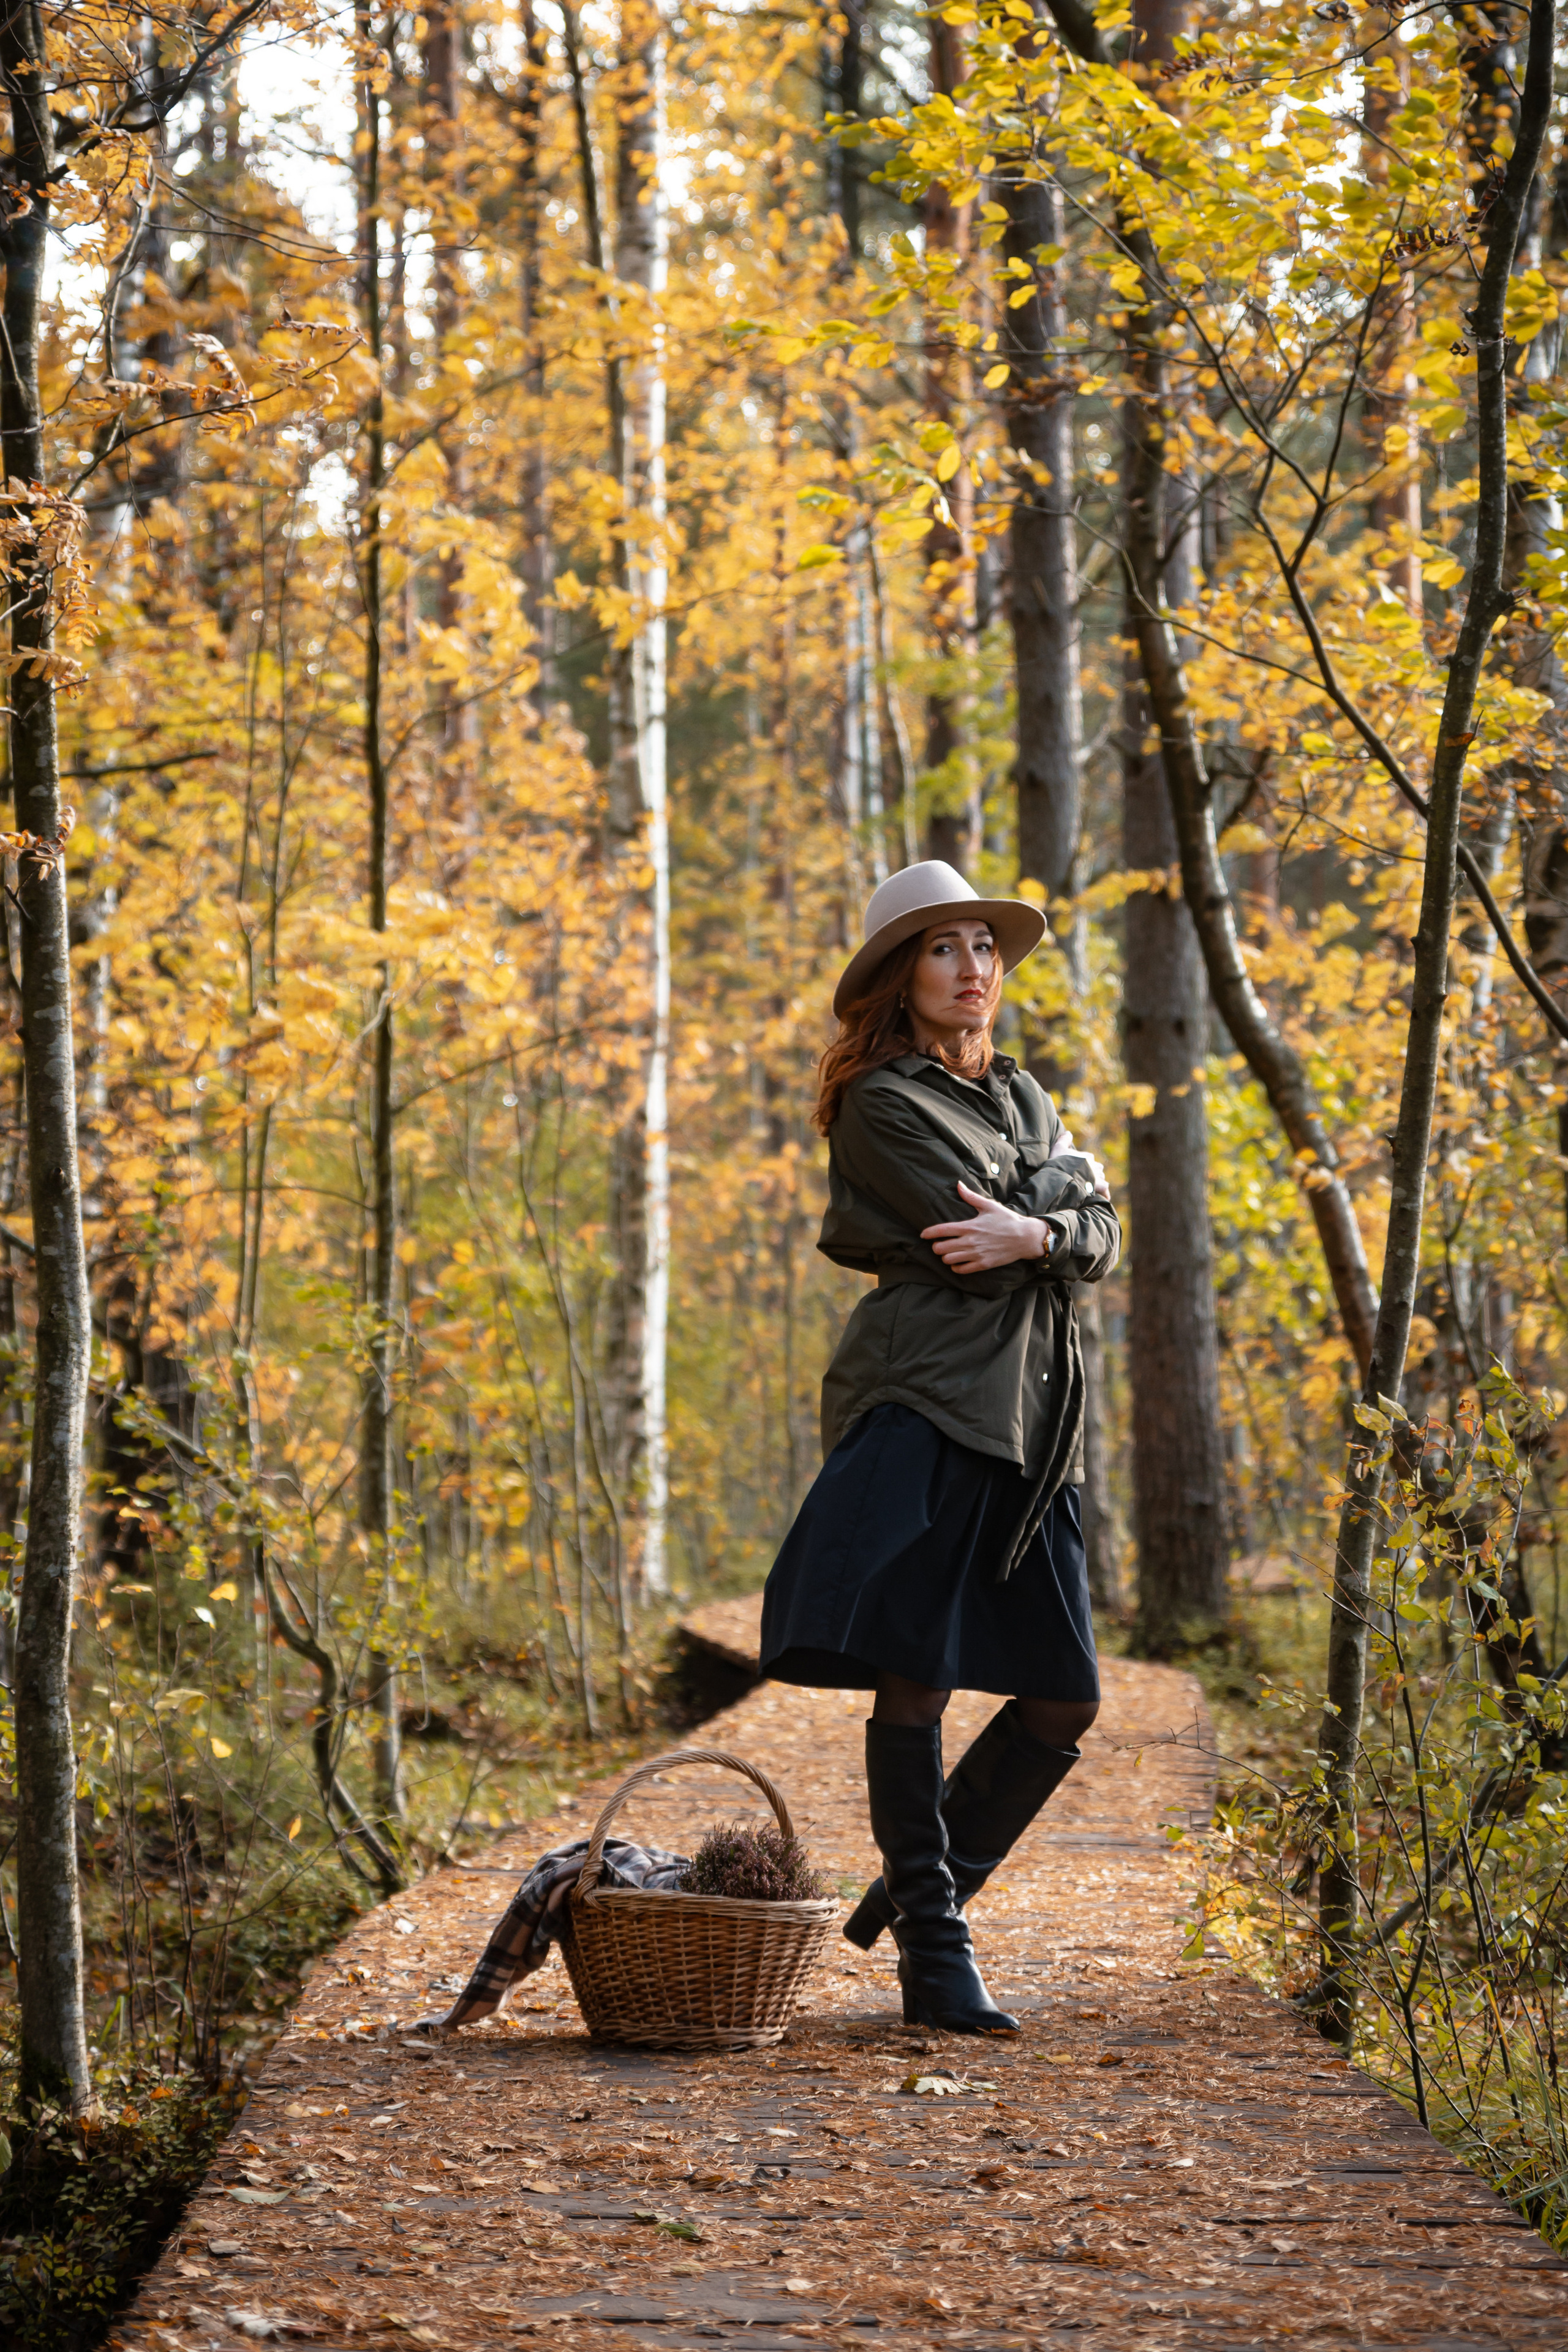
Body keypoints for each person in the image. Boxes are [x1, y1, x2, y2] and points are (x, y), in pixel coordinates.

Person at [760, 861, 1119, 2037]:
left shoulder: (1025, 1095)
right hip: (928, 1404)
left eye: (985, 948)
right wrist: (1053, 1209)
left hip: (1035, 1424)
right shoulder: (882, 1101)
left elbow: (1090, 1233)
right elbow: (987, 1220)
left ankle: (924, 1898)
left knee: (1064, 1696)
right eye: (945, 950)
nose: (975, 971)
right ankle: (937, 1945)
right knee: (920, 1673)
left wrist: (1046, 1225)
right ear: (899, 980)